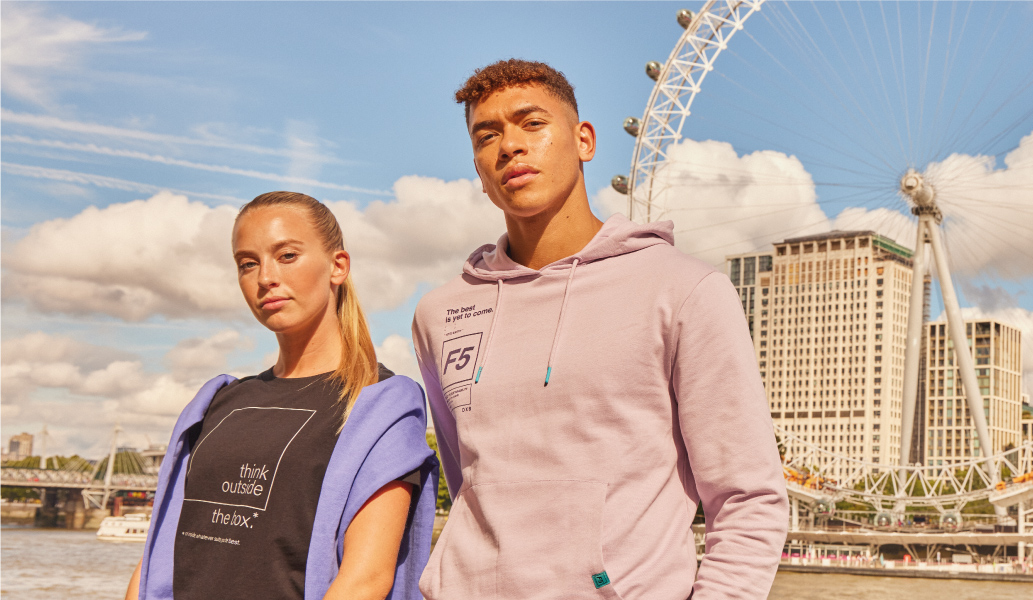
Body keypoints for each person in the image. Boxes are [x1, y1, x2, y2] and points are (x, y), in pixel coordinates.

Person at [412, 59, 788, 600]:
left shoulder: (684, 290)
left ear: (584, 140)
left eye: (532, 124)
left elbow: (747, 496)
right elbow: (467, 473)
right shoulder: (439, 313)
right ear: (477, 166)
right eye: (487, 135)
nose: (509, 147)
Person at [126, 192, 439, 600]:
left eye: (287, 256)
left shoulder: (380, 407)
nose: (265, 278)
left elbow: (365, 580)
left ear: (338, 266)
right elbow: (160, 553)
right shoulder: (217, 403)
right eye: (248, 264)